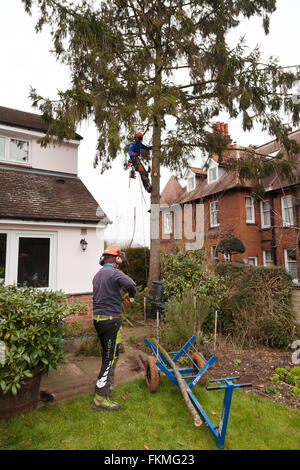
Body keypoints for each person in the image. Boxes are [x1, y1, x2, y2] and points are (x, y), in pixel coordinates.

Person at [91, 245, 136, 411]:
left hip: (98, 320)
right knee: (109, 358)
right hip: (111, 322)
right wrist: (131, 297)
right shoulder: (115, 273)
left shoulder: (97, 275)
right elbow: (131, 285)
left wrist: (119, 297)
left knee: (109, 355)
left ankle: (106, 387)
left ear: (103, 259)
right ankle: (99, 399)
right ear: (117, 259)